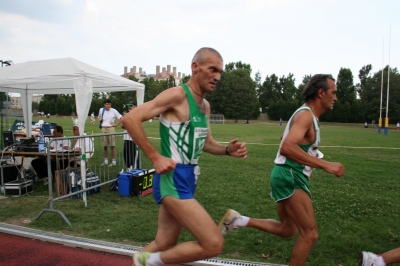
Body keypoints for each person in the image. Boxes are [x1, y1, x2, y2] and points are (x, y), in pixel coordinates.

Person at [123, 47, 248, 266]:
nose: (217, 77)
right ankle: (146, 261)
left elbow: (207, 144)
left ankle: (143, 261)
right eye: (213, 69)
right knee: (213, 243)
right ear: (195, 67)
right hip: (173, 177)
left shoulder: (205, 106)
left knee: (164, 241)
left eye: (220, 72)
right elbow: (131, 119)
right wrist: (155, 157)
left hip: (189, 178)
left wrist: (228, 150)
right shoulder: (177, 95)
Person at [218, 74, 345, 266]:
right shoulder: (306, 115)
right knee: (310, 234)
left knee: (288, 229)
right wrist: (326, 165)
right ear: (321, 93)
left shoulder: (307, 116)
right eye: (333, 93)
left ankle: (238, 220)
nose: (335, 98)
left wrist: (307, 157)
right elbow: (287, 147)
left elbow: (285, 140)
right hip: (290, 176)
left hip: (285, 174)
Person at [98, 99, 123, 166]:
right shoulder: (101, 110)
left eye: (109, 104)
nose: (108, 106)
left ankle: (113, 161)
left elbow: (121, 118)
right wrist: (100, 119)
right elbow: (99, 118)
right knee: (105, 146)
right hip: (103, 128)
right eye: (107, 104)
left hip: (111, 129)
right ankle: (105, 161)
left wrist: (116, 124)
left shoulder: (114, 110)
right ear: (104, 104)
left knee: (112, 146)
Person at [121, 102, 137, 169]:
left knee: (131, 154)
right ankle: (128, 167)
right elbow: (122, 126)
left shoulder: (137, 114)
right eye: (128, 106)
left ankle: (132, 167)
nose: (129, 107)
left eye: (131, 106)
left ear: (135, 106)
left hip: (133, 138)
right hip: (127, 137)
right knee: (125, 153)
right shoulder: (127, 115)